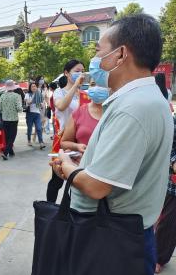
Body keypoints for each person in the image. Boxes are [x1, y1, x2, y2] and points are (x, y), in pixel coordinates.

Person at [52, 14, 173, 275]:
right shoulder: (148, 98)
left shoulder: (132, 107)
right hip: (122, 232)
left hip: (109, 238)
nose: (94, 61)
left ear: (120, 55)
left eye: (99, 52)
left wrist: (66, 166)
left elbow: (97, 187)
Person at [46, 60, 85, 203]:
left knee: (75, 178)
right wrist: (75, 86)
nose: (80, 74)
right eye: (77, 71)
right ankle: (49, 207)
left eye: (82, 71)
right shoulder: (59, 92)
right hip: (62, 139)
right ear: (66, 73)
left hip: (78, 141)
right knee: (57, 178)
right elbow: (61, 106)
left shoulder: (83, 94)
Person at [154, 82, 176, 274]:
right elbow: (168, 146)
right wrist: (174, 161)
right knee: (168, 222)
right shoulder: (174, 120)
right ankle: (159, 257)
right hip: (174, 184)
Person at [60, 82, 107, 153]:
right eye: (93, 84)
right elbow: (64, 143)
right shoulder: (78, 113)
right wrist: (76, 146)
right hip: (82, 162)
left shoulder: (116, 112)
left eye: (102, 85)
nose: (97, 88)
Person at [0, 80, 23, 160]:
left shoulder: (2, 96)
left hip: (4, 119)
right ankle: (5, 153)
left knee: (7, 137)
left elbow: (0, 108)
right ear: (13, 87)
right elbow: (19, 108)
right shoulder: (17, 96)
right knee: (12, 137)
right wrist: (22, 109)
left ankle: (11, 151)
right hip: (13, 119)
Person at [24, 82, 45, 150]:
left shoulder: (39, 95)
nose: (34, 87)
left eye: (35, 86)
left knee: (39, 128)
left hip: (37, 113)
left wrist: (41, 105)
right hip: (30, 113)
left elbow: (39, 106)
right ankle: (29, 140)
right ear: (30, 88)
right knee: (29, 128)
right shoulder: (27, 94)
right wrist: (34, 98)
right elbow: (28, 103)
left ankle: (41, 142)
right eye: (32, 86)